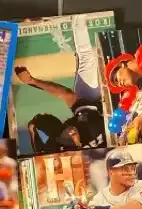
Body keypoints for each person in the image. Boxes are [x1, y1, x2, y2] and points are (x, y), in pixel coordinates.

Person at [15, 14, 106, 152]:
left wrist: (32, 80)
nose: (69, 132)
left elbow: (67, 95)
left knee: (86, 58)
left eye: (64, 134)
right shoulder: (91, 139)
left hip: (91, 104)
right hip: (109, 109)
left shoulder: (61, 138)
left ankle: (78, 17)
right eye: (71, 137)